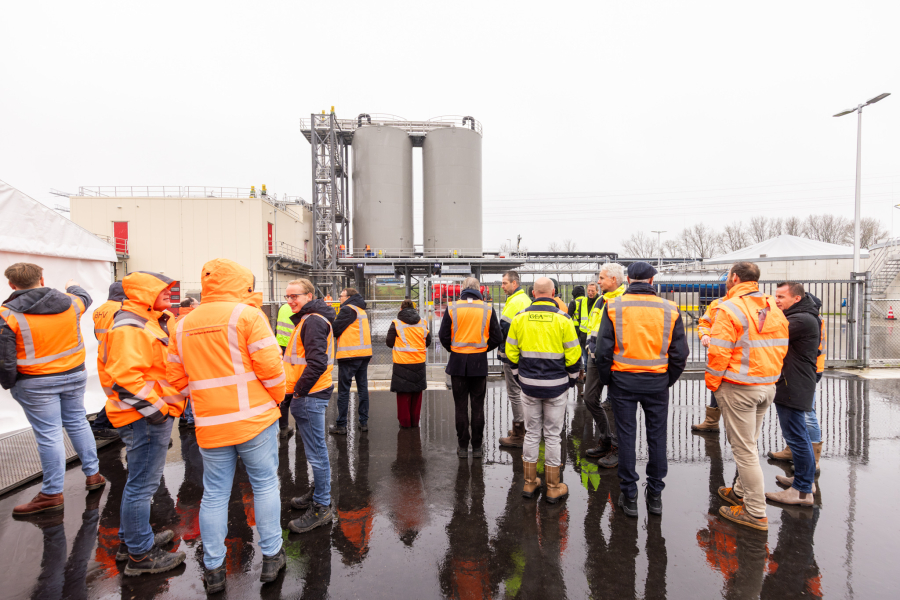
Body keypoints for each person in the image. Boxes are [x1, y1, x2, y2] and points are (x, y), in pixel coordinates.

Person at [167, 258, 287, 592]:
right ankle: (272, 556)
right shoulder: (248, 316)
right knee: (264, 485)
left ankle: (214, 568)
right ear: (241, 283)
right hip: (254, 420)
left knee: (215, 493)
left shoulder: (182, 324)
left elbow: (175, 380)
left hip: (210, 423)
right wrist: (277, 399)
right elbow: (272, 369)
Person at [1, 262, 106, 517]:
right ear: (42, 279)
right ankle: (93, 475)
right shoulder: (71, 303)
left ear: (11, 285)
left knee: (49, 434)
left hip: (35, 382)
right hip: (74, 375)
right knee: (77, 422)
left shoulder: (7, 314)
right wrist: (72, 285)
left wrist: (10, 383)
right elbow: (84, 296)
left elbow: (5, 358)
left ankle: (51, 493)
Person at [104, 271, 187, 576]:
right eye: (162, 289)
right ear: (144, 292)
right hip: (143, 416)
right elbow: (126, 381)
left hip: (142, 414)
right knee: (142, 485)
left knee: (138, 483)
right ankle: (140, 555)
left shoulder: (144, 320)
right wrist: (159, 411)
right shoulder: (131, 326)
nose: (169, 294)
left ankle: (132, 541)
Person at [595, 261, 688, 517]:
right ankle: (655, 495)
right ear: (651, 281)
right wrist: (667, 379)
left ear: (628, 280)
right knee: (657, 437)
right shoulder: (670, 308)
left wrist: (608, 379)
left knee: (626, 437)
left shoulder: (613, 306)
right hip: (657, 382)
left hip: (623, 381)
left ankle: (630, 495)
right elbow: (680, 353)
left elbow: (603, 351)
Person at [706, 262, 789, 531]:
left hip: (739, 387)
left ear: (734, 278)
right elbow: (780, 345)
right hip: (767, 385)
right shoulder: (771, 306)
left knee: (744, 452)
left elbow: (719, 351)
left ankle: (754, 511)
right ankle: (739, 492)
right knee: (750, 444)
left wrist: (713, 384)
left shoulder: (730, 308)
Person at [505, 277, 582, 503]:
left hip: (528, 385)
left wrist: (519, 376)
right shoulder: (563, 319)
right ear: (554, 292)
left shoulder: (520, 318)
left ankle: (530, 483)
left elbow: (511, 353)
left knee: (531, 434)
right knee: (552, 435)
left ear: (533, 293)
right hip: (556, 386)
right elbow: (574, 355)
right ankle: (553, 486)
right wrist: (571, 380)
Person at [281, 278, 338, 533]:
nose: (290, 301)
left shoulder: (312, 320)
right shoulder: (309, 318)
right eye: (288, 296)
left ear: (309, 296)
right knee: (316, 451)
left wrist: (299, 392)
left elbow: (316, 363)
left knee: (316, 453)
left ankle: (321, 506)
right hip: (310, 393)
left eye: (295, 296)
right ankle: (318, 493)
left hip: (310, 394)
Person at [764, 282, 818, 507]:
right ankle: (805, 482)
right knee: (799, 436)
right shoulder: (800, 316)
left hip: (793, 384)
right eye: (775, 296)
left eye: (781, 297)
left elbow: (767, 331)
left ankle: (802, 492)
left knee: (797, 437)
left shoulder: (800, 319)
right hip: (794, 382)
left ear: (796, 298)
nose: (776, 300)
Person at [439, 276, 502, 458]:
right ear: (479, 289)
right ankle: (477, 447)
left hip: (457, 362)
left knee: (460, 406)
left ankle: (462, 446)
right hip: (478, 363)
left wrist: (454, 349)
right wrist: (482, 349)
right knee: (478, 406)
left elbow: (443, 336)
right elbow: (497, 337)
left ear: (462, 289)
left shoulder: (452, 307)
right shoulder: (487, 309)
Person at [584, 265, 627, 465]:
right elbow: (592, 326)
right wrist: (589, 346)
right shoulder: (601, 300)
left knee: (616, 405)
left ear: (613, 279)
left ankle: (617, 448)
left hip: (615, 360)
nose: (598, 282)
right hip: (595, 357)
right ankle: (606, 438)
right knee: (590, 399)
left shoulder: (624, 300)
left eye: (601, 278)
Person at [330, 287, 372, 435]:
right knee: (362, 389)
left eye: (341, 296)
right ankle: (363, 422)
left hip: (349, 355)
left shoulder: (348, 309)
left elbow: (335, 329)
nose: (339, 298)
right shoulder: (360, 310)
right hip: (364, 354)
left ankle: (341, 425)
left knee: (343, 391)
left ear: (348, 297)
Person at [497, 270, 532, 448]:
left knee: (514, 392)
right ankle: (525, 429)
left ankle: (519, 433)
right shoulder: (525, 299)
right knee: (523, 392)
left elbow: (503, 329)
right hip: (524, 352)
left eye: (505, 283)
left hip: (512, 354)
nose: (502, 286)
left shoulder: (514, 302)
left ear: (514, 283)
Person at [89, 281, 127, 440]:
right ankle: (100, 425)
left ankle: (106, 421)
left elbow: (96, 333)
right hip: (116, 355)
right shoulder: (122, 309)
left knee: (115, 391)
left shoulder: (99, 310)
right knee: (120, 392)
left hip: (104, 354)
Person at [386, 299, 432, 428]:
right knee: (417, 393)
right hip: (419, 361)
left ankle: (405, 422)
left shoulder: (396, 323)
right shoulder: (423, 322)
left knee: (403, 393)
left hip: (402, 362)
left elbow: (389, 342)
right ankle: (415, 421)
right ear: (414, 309)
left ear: (401, 309)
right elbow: (428, 341)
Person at [692, 296, 724, 433]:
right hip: (719, 354)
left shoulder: (755, 302)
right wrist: (705, 334)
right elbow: (704, 322)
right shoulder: (718, 303)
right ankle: (711, 422)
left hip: (741, 356)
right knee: (715, 384)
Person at [173, 297, 199, 429]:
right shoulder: (191, 319)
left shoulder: (178, 319)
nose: (198, 305)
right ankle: (190, 418)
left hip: (181, 357)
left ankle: (185, 417)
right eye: (197, 303)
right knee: (191, 388)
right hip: (190, 357)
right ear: (191, 306)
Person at [275, 299, 297, 442]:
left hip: (281, 347)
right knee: (298, 386)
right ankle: (301, 427)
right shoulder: (301, 309)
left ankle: (283, 427)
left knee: (285, 387)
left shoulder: (282, 307)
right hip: (295, 348)